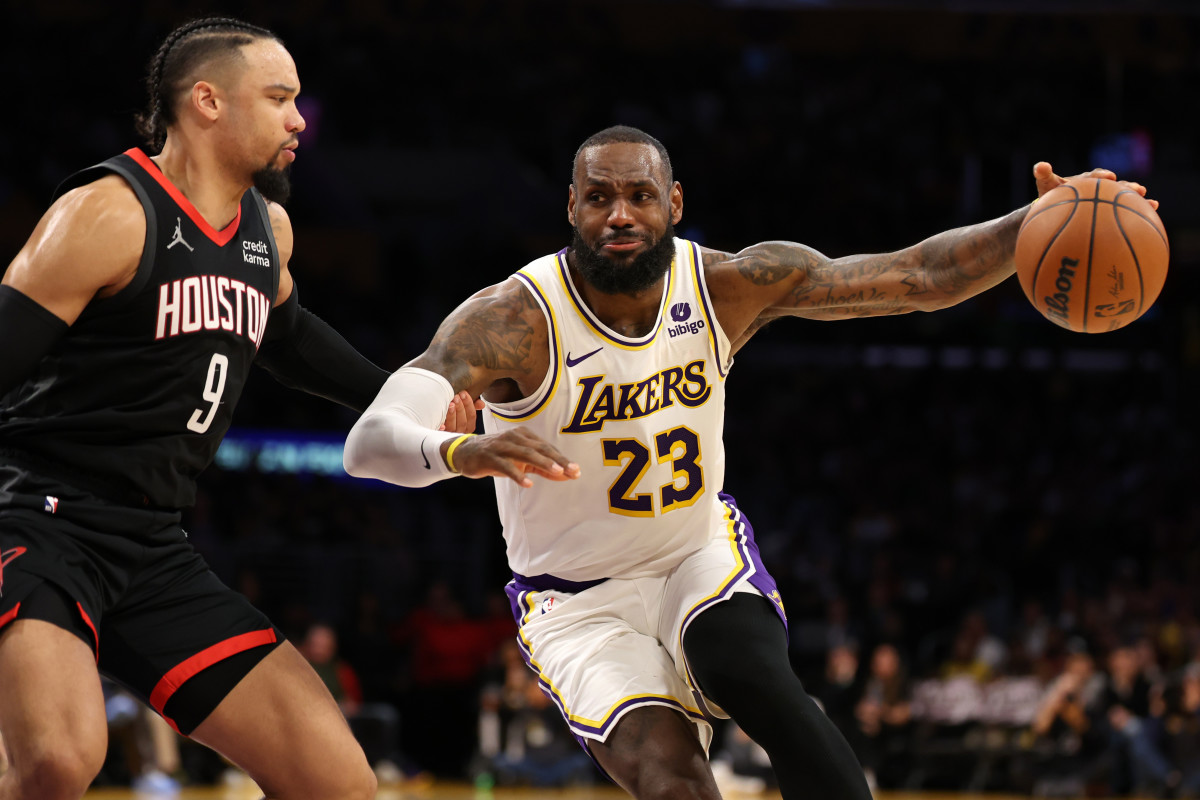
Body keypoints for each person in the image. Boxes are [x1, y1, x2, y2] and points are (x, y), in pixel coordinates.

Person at [343, 125, 1155, 799]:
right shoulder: (513, 318)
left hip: (692, 551)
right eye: (599, 197)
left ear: (675, 205)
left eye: (639, 196)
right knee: (673, 782)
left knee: (762, 685)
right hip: (575, 603)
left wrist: (1036, 220)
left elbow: (917, 276)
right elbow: (369, 442)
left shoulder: (728, 284)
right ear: (571, 208)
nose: (619, 214)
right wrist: (460, 450)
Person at [0, 17, 473, 800]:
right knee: (56, 760)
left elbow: (288, 339)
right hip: (39, 518)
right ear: (207, 101)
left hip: (152, 544)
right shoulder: (108, 212)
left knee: (340, 783)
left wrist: (413, 400)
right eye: (280, 97)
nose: (299, 119)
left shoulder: (267, 230)